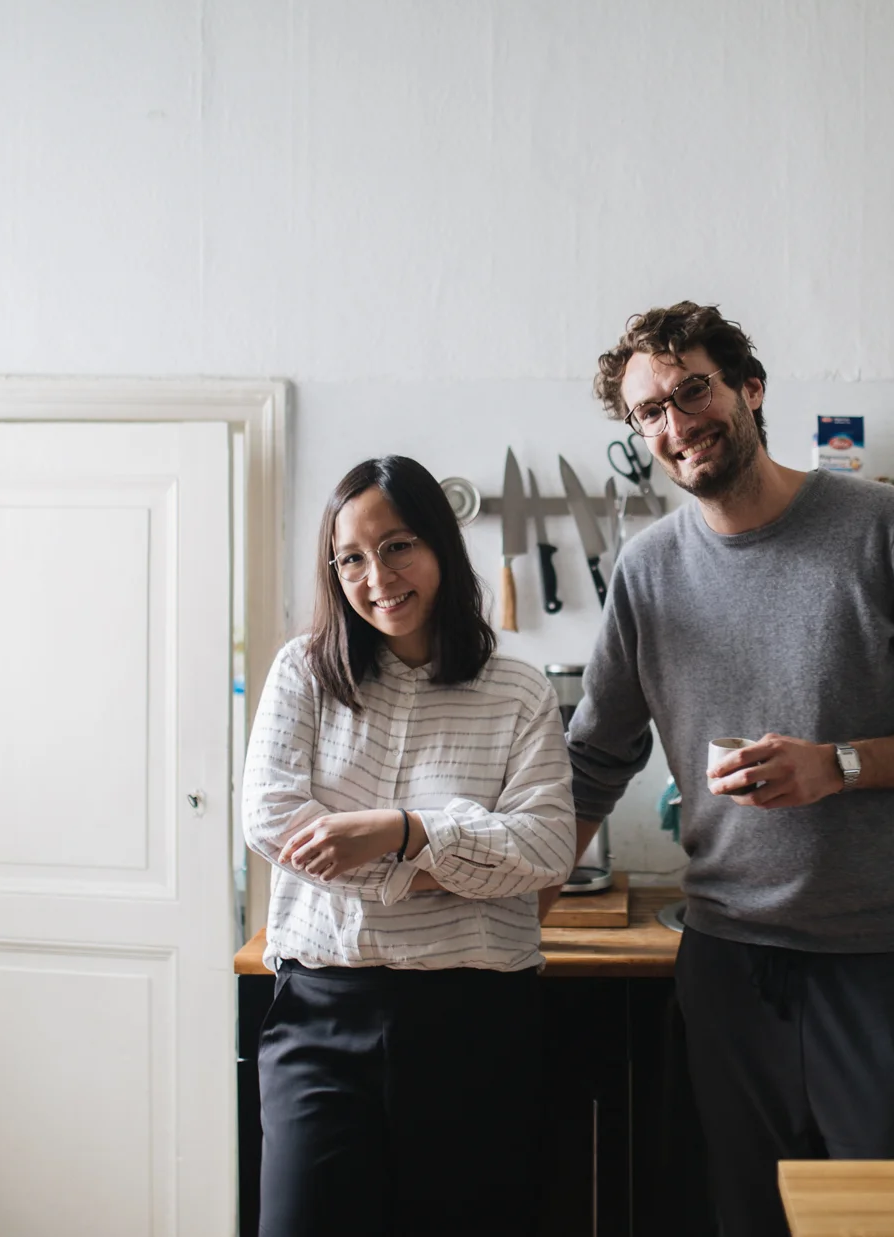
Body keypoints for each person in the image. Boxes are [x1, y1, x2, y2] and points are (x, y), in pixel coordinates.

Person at [558, 302, 894, 1237]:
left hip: (885, 970)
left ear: (750, 388)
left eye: (692, 389)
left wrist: (841, 765)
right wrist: (505, 912)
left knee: (893, 1227)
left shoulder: (879, 528)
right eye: (648, 411)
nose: (675, 423)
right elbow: (594, 760)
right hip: (729, 969)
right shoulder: (648, 572)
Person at [243, 454, 577, 1237]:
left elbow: (547, 848)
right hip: (321, 1013)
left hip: (476, 1018)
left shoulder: (518, 690)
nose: (377, 575)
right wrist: (457, 868)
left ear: (439, 546)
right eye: (351, 557)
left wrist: (405, 831)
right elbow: (271, 821)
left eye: (397, 546)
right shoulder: (303, 673)